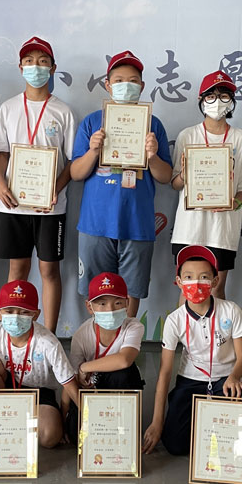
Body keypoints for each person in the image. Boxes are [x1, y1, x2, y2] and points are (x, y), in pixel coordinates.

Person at [70, 50, 172, 317]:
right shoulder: (92, 122)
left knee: (130, 292)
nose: (126, 85)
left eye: (133, 80)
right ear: (108, 85)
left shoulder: (153, 124)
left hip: (137, 223)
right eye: (118, 80)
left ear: (142, 86)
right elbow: (76, 173)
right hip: (96, 223)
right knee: (96, 290)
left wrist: (152, 156)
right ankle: (99, 341)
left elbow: (165, 176)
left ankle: (127, 342)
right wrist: (93, 151)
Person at [0, 36, 77, 334]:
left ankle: (50, 334)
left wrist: (57, 188)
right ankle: (14, 333)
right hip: (13, 203)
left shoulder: (63, 111)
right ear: (20, 67)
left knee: (49, 269)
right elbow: (1, 152)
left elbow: (72, 161)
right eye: (29, 61)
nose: (35, 67)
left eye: (42, 62)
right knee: (17, 269)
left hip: (50, 207)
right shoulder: (8, 108)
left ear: (53, 68)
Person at [143, 245, 242, 455]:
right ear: (179, 282)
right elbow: (165, 372)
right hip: (190, 380)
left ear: (215, 281)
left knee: (231, 441)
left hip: (226, 380)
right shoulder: (174, 320)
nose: (196, 283)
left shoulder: (231, 310)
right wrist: (157, 421)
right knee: (175, 446)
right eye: (189, 277)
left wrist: (234, 377)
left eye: (204, 277)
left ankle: (214, 422)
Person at [0, 280, 79, 452]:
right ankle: (0, 413)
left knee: (50, 436)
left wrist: (88, 422)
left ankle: (12, 423)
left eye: (24, 312)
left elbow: (69, 384)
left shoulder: (48, 341)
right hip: (5, 387)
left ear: (36, 315)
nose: (16, 317)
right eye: (9, 311)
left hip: (39, 392)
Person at [170, 71, 242, 299]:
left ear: (232, 101)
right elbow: (175, 184)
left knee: (215, 289)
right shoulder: (187, 136)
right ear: (201, 100)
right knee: (188, 289)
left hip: (222, 230)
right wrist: (184, 175)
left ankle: (218, 326)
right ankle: (185, 326)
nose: (217, 101)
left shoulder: (241, 139)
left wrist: (233, 204)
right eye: (211, 96)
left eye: (224, 96)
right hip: (189, 228)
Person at [64, 272, 145, 439]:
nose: (110, 310)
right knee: (75, 436)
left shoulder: (134, 326)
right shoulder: (81, 334)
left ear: (127, 303)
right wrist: (62, 418)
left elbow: (124, 359)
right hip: (90, 391)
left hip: (118, 385)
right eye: (102, 303)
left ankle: (126, 426)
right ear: (89, 307)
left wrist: (85, 367)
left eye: (118, 303)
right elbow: (70, 379)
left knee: (124, 372)